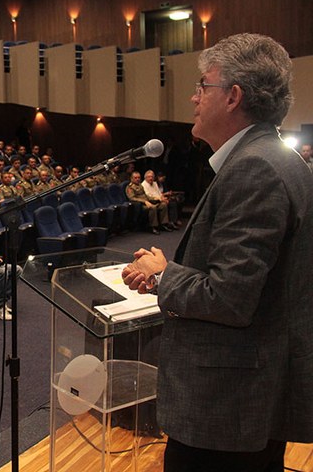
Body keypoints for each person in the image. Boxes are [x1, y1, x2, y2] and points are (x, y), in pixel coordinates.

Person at [121, 34, 313, 472]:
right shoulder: (275, 157)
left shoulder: (255, 169)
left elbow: (229, 297)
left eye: (202, 86)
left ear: (233, 96)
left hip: (227, 407)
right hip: (248, 397)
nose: (193, 97)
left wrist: (163, 273)